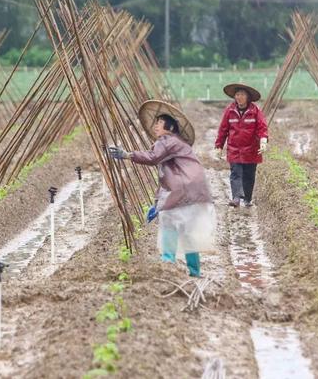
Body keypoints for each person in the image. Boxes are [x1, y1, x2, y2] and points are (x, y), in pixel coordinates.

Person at [108, 100, 216, 278]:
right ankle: (195, 272)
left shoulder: (167, 140)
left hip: (182, 191)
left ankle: (168, 266)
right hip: (195, 192)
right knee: (188, 231)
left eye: (159, 123)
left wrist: (127, 155)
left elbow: (152, 157)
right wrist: (157, 203)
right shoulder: (178, 144)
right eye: (155, 123)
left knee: (169, 225)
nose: (155, 126)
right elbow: (166, 179)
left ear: (171, 127)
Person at [214, 83, 269, 208]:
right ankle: (236, 198)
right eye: (237, 94)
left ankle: (247, 199)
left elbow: (262, 127)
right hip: (235, 149)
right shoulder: (230, 111)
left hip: (251, 149)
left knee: (249, 175)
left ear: (248, 97)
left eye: (242, 94)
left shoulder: (255, 111)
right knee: (235, 173)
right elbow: (223, 129)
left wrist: (263, 141)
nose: (239, 97)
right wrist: (219, 145)